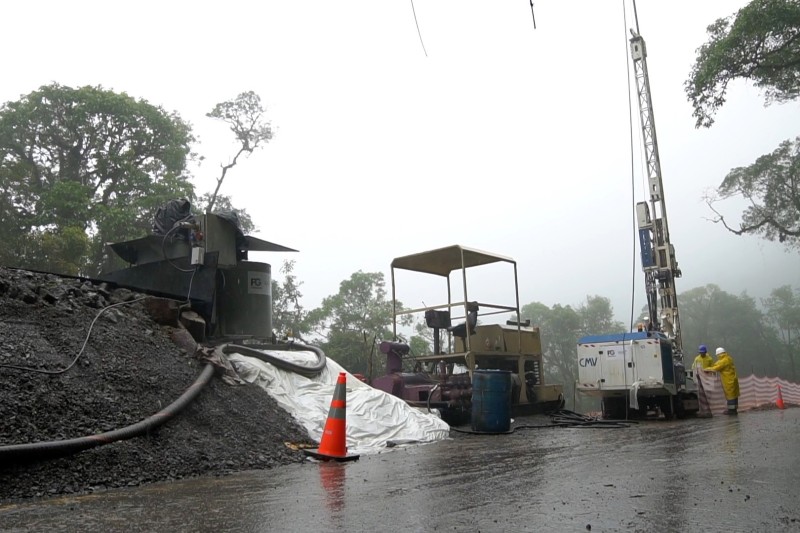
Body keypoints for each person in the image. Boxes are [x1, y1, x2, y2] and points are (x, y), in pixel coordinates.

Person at [705, 347, 740, 415]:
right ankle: (734, 409)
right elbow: (719, 363)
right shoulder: (728, 358)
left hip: (728, 380)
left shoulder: (723, 361)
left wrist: (706, 369)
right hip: (733, 379)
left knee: (730, 395)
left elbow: (715, 368)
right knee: (734, 395)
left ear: (719, 354)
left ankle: (732, 411)